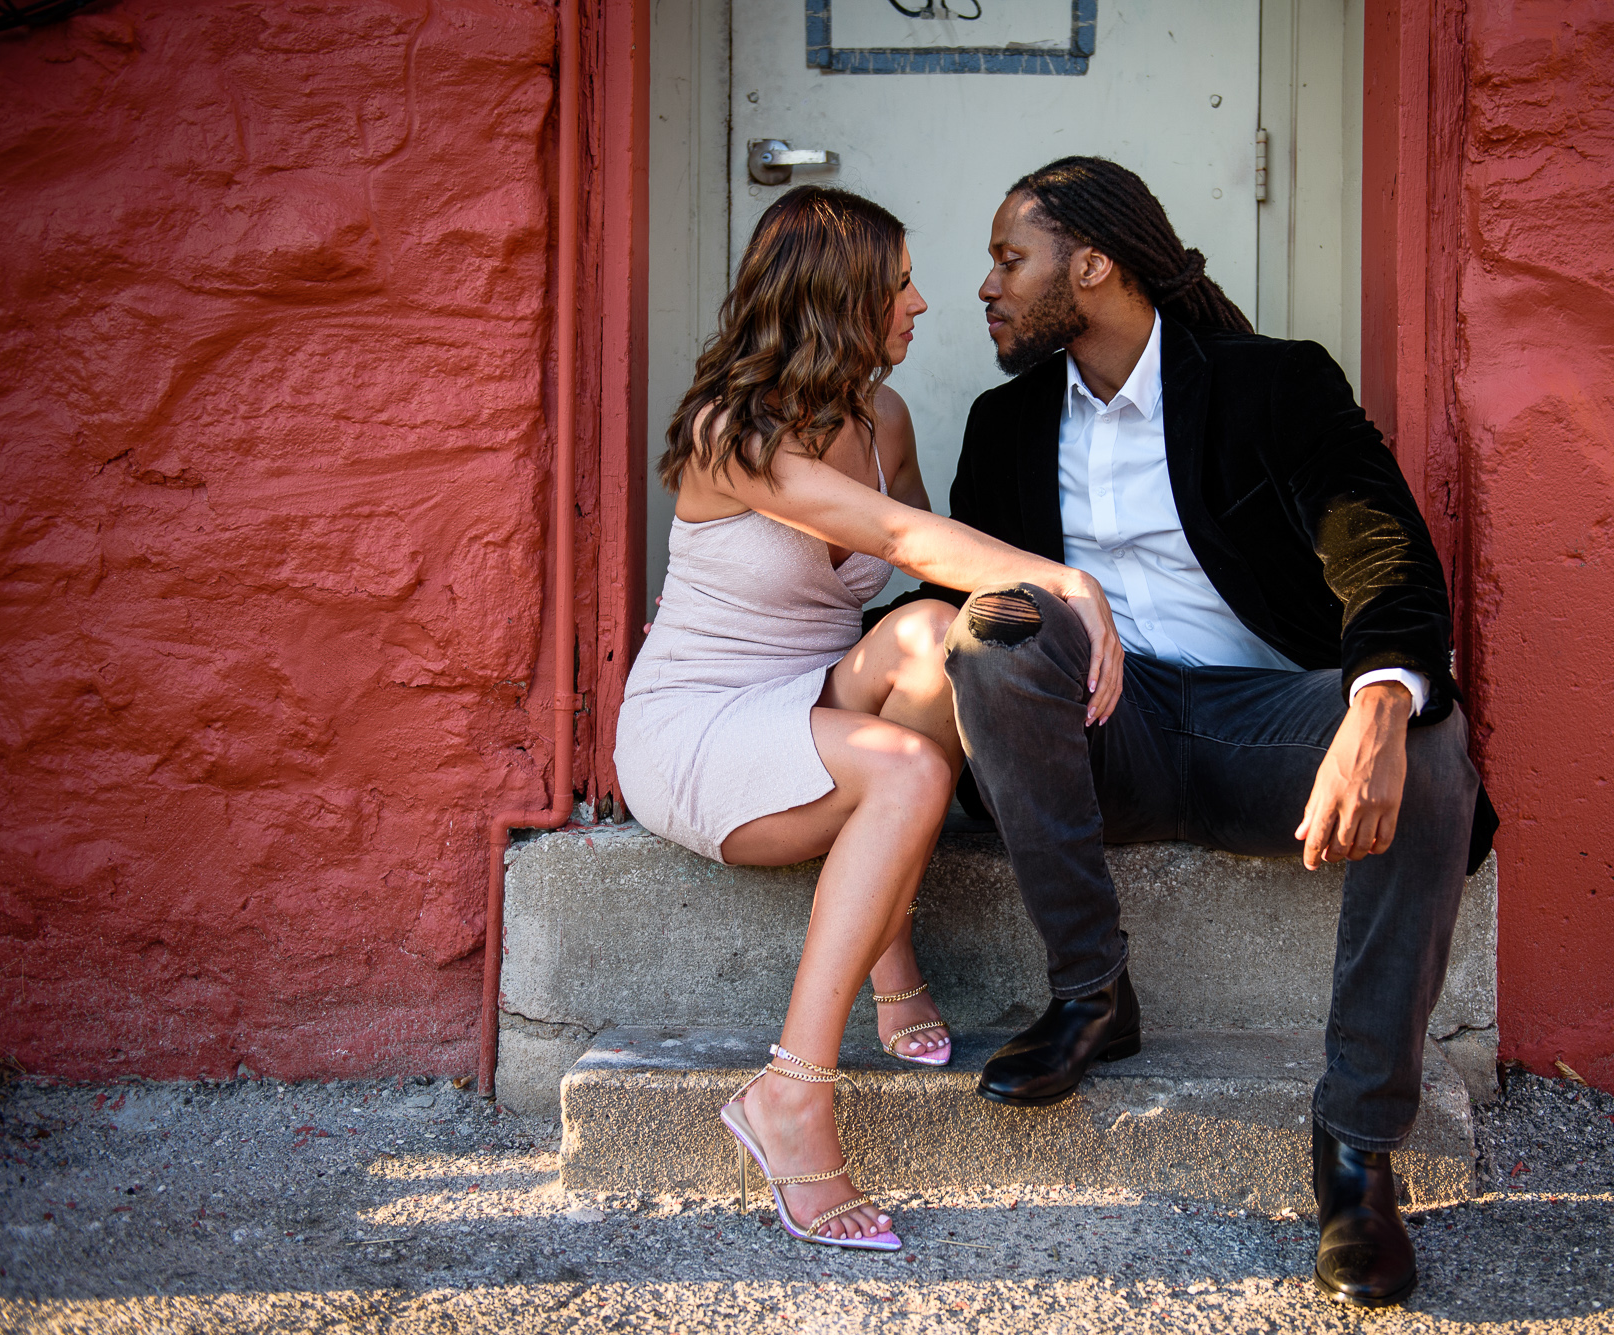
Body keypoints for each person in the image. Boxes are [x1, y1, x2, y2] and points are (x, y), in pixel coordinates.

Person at [901, 157, 1496, 1304]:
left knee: (1426, 742)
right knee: (987, 634)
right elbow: (955, 587)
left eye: (1006, 259)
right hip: (1105, 740)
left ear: (1092, 265)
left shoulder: (1273, 385)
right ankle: (1090, 993)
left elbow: (1384, 557)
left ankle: (1357, 1153)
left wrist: (1374, 706)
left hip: (1260, 734)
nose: (986, 286)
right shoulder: (1006, 423)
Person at [614, 186, 1123, 1253]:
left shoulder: (879, 420)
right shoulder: (728, 435)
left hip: (810, 701)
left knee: (938, 635)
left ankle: (885, 946)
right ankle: (792, 1091)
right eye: (898, 283)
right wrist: (1072, 585)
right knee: (903, 769)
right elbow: (898, 533)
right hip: (700, 727)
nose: (924, 303)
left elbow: (913, 575)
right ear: (836, 298)